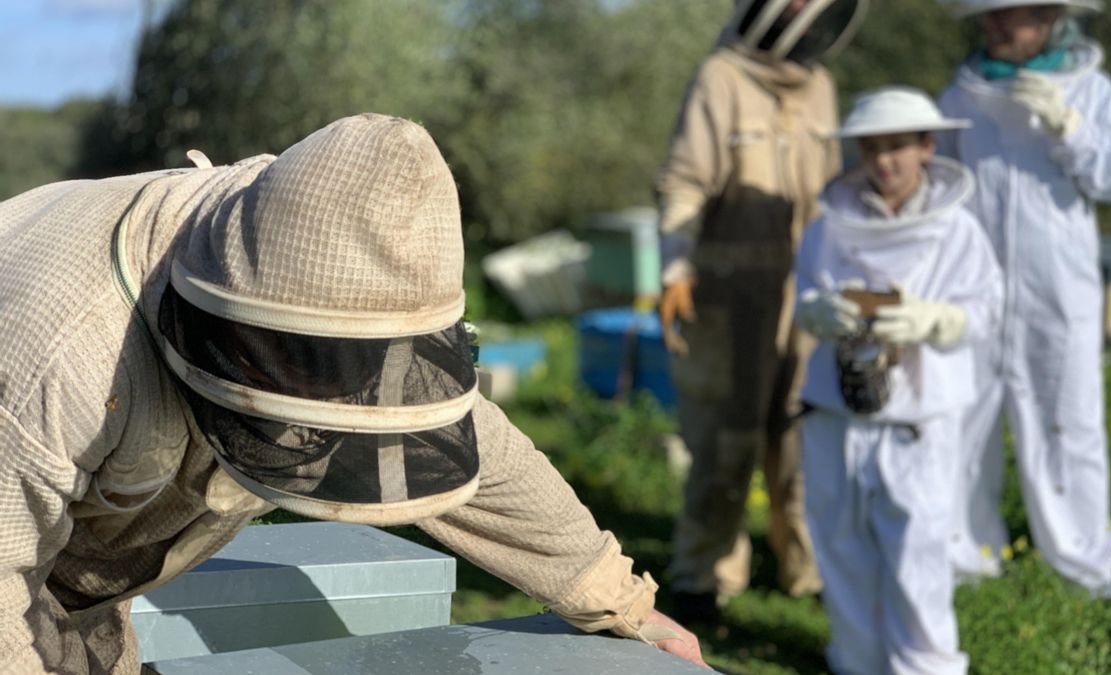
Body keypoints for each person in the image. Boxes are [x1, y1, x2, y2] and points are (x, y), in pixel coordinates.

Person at [0, 114, 707, 673]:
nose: (336, 391)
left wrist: (623, 603)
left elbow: (480, 456)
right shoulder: (61, 352)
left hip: (83, 576)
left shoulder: (341, 287)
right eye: (307, 367)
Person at [655, 0, 868, 623]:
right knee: (725, 441)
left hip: (804, 294)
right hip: (727, 295)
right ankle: (703, 574)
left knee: (804, 432)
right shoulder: (720, 77)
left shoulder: (820, 85)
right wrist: (675, 265)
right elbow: (684, 180)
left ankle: (805, 565)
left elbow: (831, 192)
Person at [936, 0, 1111, 597]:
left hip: (1058, 292)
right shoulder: (960, 97)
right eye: (991, 13)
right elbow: (941, 187)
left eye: (1013, 13)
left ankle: (1084, 568)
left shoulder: (1092, 90)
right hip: (974, 290)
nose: (995, 23)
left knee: (1068, 423)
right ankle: (968, 555)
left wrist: (1070, 127)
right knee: (966, 421)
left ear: (1051, 16)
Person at [793, 87, 1002, 675]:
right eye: (873, 149)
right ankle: (856, 663)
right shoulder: (829, 226)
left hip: (918, 414)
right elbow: (805, 292)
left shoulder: (959, 231)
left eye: (897, 148)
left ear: (927, 147)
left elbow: (985, 311)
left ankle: (927, 667)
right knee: (840, 546)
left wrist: (936, 319)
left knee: (919, 553)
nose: (884, 162)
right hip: (835, 409)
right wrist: (817, 312)